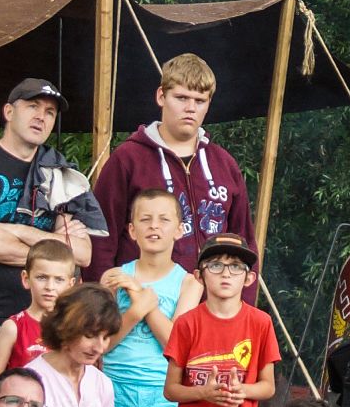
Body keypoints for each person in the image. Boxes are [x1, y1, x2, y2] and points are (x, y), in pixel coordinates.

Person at [0, 79, 106, 407]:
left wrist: (15, 230)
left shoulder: (61, 173)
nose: (42, 117)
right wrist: (49, 242)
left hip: (49, 326)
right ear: (8, 111)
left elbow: (81, 254)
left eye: (49, 112)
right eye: (33, 107)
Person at [90, 52, 253, 281]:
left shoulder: (224, 164)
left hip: (211, 307)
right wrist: (102, 305)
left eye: (199, 101)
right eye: (181, 98)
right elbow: (101, 239)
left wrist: (240, 308)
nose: (190, 108)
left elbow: (244, 242)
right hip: (140, 304)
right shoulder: (128, 159)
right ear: (161, 96)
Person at [162, 235, 279, 407]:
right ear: (199, 276)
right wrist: (203, 393)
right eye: (215, 265)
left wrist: (244, 390)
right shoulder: (187, 323)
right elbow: (171, 389)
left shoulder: (260, 322)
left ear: (249, 278)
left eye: (236, 266)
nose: (226, 273)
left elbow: (268, 387)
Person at [100, 188, 200, 407]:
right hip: (114, 386)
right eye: (145, 219)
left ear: (180, 230)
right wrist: (134, 310)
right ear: (132, 230)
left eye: (163, 220)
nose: (154, 226)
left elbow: (175, 344)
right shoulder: (114, 277)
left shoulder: (189, 284)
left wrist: (143, 299)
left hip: (161, 393)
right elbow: (101, 344)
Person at [28, 284, 119, 407]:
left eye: (106, 337)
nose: (99, 347)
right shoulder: (31, 380)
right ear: (66, 327)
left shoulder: (102, 384)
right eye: (90, 335)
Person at [0, 235, 79, 387]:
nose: (50, 286)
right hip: (24, 406)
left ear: (71, 284)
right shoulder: (13, 327)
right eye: (42, 277)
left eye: (59, 279)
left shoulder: (76, 327)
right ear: (26, 279)